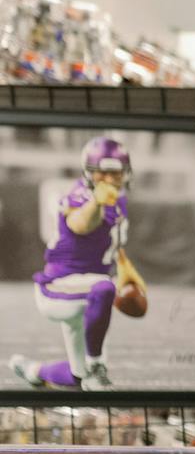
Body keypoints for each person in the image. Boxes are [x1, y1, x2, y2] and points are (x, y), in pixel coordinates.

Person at [10, 137, 137, 391]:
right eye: (104, 172)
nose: (111, 179)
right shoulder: (79, 195)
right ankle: (95, 367)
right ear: (90, 173)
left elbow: (110, 248)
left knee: (76, 378)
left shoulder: (119, 199)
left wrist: (128, 275)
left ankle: (33, 370)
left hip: (85, 292)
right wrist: (97, 202)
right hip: (59, 287)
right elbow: (80, 224)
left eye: (116, 172)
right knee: (103, 288)